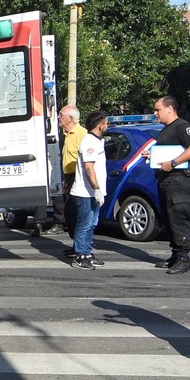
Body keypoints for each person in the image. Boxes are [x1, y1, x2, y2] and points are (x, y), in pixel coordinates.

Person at [151, 95, 190, 274]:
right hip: (167, 180)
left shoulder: (182, 126)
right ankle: (175, 255)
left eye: (158, 109)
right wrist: (153, 157)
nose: (155, 113)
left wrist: (173, 162)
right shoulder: (165, 129)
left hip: (179, 181)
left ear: (170, 109)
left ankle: (183, 258)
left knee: (178, 218)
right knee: (169, 218)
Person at [68, 110, 109, 269]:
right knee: (85, 224)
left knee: (92, 223)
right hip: (85, 192)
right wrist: (96, 189)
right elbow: (88, 168)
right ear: (100, 126)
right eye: (106, 123)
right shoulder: (89, 142)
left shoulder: (97, 140)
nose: (107, 126)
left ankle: (87, 252)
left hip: (93, 192)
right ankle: (79, 255)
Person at [57, 104, 85, 260]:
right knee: (69, 213)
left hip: (77, 177)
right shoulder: (67, 134)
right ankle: (77, 245)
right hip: (68, 177)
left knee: (75, 212)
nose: (59, 117)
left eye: (61, 115)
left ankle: (81, 247)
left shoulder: (81, 134)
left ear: (71, 119)